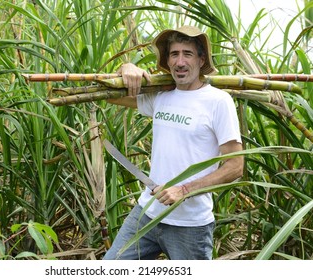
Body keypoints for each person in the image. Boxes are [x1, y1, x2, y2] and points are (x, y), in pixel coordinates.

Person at [103, 25, 244, 260]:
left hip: (189, 226)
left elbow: (235, 166)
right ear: (168, 61)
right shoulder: (161, 97)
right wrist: (125, 69)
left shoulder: (218, 101)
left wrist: (184, 190)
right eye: (174, 54)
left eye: (187, 54)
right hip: (147, 213)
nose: (180, 62)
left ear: (201, 60)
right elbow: (111, 96)